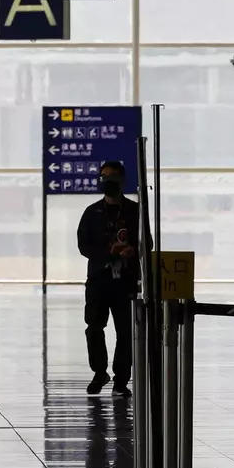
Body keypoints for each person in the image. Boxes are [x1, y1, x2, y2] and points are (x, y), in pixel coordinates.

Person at [77, 160, 139, 397]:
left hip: (126, 280)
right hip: (99, 280)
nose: (107, 181)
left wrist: (132, 250)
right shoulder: (92, 213)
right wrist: (109, 253)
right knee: (94, 327)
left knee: (125, 332)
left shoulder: (134, 212)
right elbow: (84, 246)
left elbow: (148, 243)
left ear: (122, 180)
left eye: (112, 177)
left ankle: (121, 380)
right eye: (103, 177)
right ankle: (99, 372)